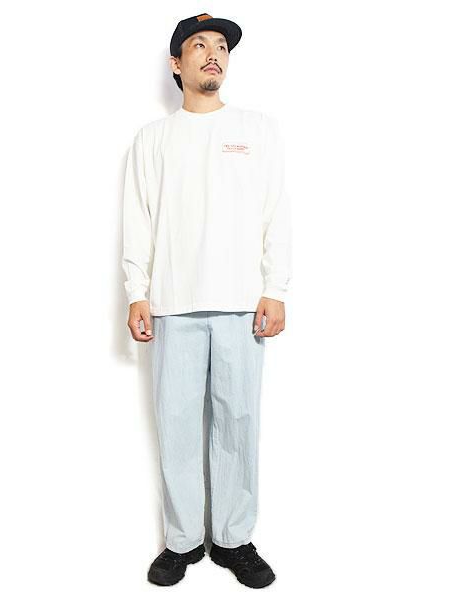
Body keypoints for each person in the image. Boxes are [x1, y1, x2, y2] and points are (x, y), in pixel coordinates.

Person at [122, 13, 291, 588]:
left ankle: (234, 539)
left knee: (239, 422)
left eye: (221, 46)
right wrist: (136, 292)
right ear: (177, 63)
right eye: (199, 45)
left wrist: (276, 288)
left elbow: (276, 212)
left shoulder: (257, 130)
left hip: (243, 303)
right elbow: (138, 219)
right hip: (172, 302)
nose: (213, 53)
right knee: (176, 424)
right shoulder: (153, 139)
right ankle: (182, 541)